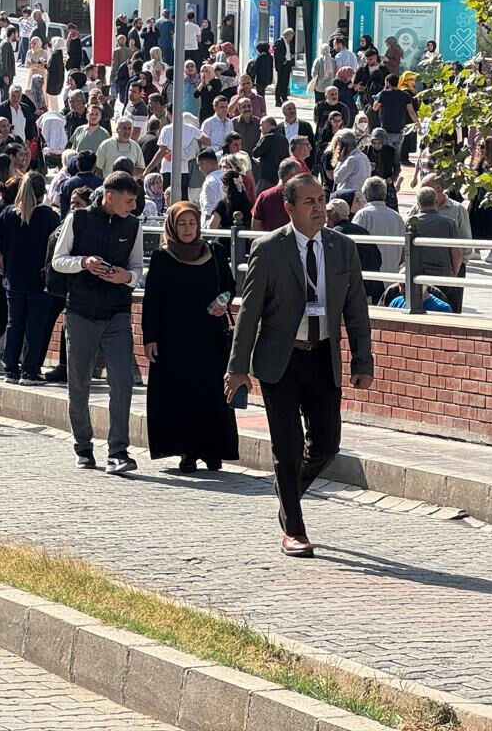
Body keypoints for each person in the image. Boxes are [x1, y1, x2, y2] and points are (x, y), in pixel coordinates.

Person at [225, 173, 374, 558]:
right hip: (281, 359)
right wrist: (237, 367)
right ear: (289, 208)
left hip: (324, 357)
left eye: (322, 199)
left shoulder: (342, 248)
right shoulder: (269, 248)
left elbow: (357, 309)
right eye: (309, 201)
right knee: (287, 446)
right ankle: (294, 526)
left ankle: (287, 493)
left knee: (327, 443)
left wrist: (363, 360)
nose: (319, 207)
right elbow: (250, 312)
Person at [52, 171, 144, 474]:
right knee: (79, 382)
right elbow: (58, 260)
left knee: (122, 381)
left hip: (117, 312)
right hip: (80, 311)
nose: (133, 206)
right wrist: (84, 262)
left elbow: (137, 270)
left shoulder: (133, 226)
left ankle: (118, 449)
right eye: (128, 200)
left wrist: (125, 277)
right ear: (109, 196)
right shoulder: (77, 219)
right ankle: (83, 445)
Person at [143, 202, 239, 472]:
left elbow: (229, 287)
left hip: (209, 337)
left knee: (211, 395)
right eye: (182, 223)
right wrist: (150, 337)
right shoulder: (163, 258)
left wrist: (224, 300)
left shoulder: (215, 253)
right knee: (181, 395)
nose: (187, 229)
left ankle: (213, 450)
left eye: (192, 223)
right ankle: (188, 452)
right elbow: (152, 301)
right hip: (174, 340)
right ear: (173, 226)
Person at [0, 172, 61, 385]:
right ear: (42, 192)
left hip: (14, 277)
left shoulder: (9, 214)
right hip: (40, 280)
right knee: (35, 325)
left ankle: (11, 369)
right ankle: (30, 370)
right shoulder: (50, 216)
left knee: (15, 323)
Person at [404, 185, 461, 311]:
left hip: (417, 279)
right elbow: (457, 253)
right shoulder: (449, 223)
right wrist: (454, 273)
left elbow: (404, 252)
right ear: (436, 202)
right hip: (443, 277)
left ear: (418, 204)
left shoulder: (409, 222)